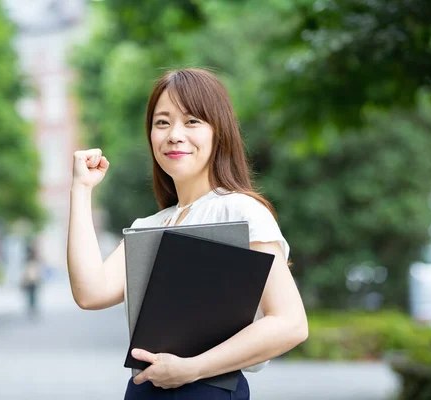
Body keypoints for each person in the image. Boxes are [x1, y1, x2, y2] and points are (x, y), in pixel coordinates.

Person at [67, 68, 308, 399]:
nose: (174, 135)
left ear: (218, 133)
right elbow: (90, 293)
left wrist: (193, 367)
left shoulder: (240, 211)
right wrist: (81, 189)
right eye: (162, 122)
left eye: (192, 121)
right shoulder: (149, 226)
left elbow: (290, 322)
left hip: (207, 388)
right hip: (144, 390)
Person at [21, 247, 42, 316]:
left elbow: (36, 272)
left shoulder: (31, 262)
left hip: (32, 281)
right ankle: (32, 308)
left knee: (32, 296)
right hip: (31, 281)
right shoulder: (30, 262)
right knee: (31, 296)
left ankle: (32, 308)